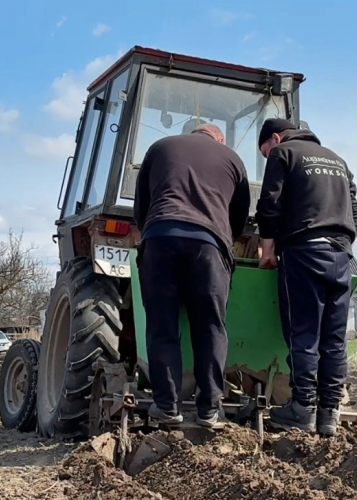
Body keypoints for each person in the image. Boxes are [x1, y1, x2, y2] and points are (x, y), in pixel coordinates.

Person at [134, 123, 251, 429]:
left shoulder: (159, 147)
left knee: (162, 326)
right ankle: (210, 409)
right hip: (209, 245)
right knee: (211, 326)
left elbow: (141, 207)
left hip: (160, 237)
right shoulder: (232, 159)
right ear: (219, 138)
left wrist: (150, 232)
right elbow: (239, 215)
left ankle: (167, 407)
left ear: (190, 133)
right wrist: (225, 242)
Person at [254, 118, 357, 436]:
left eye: (264, 153)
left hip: (304, 250)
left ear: (275, 138)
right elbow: (354, 209)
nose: (266, 158)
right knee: (334, 338)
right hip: (341, 254)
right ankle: (329, 414)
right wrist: (342, 241)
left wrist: (268, 250)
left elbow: (269, 204)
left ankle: (303, 408)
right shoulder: (337, 160)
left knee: (304, 333)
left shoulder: (283, 153)